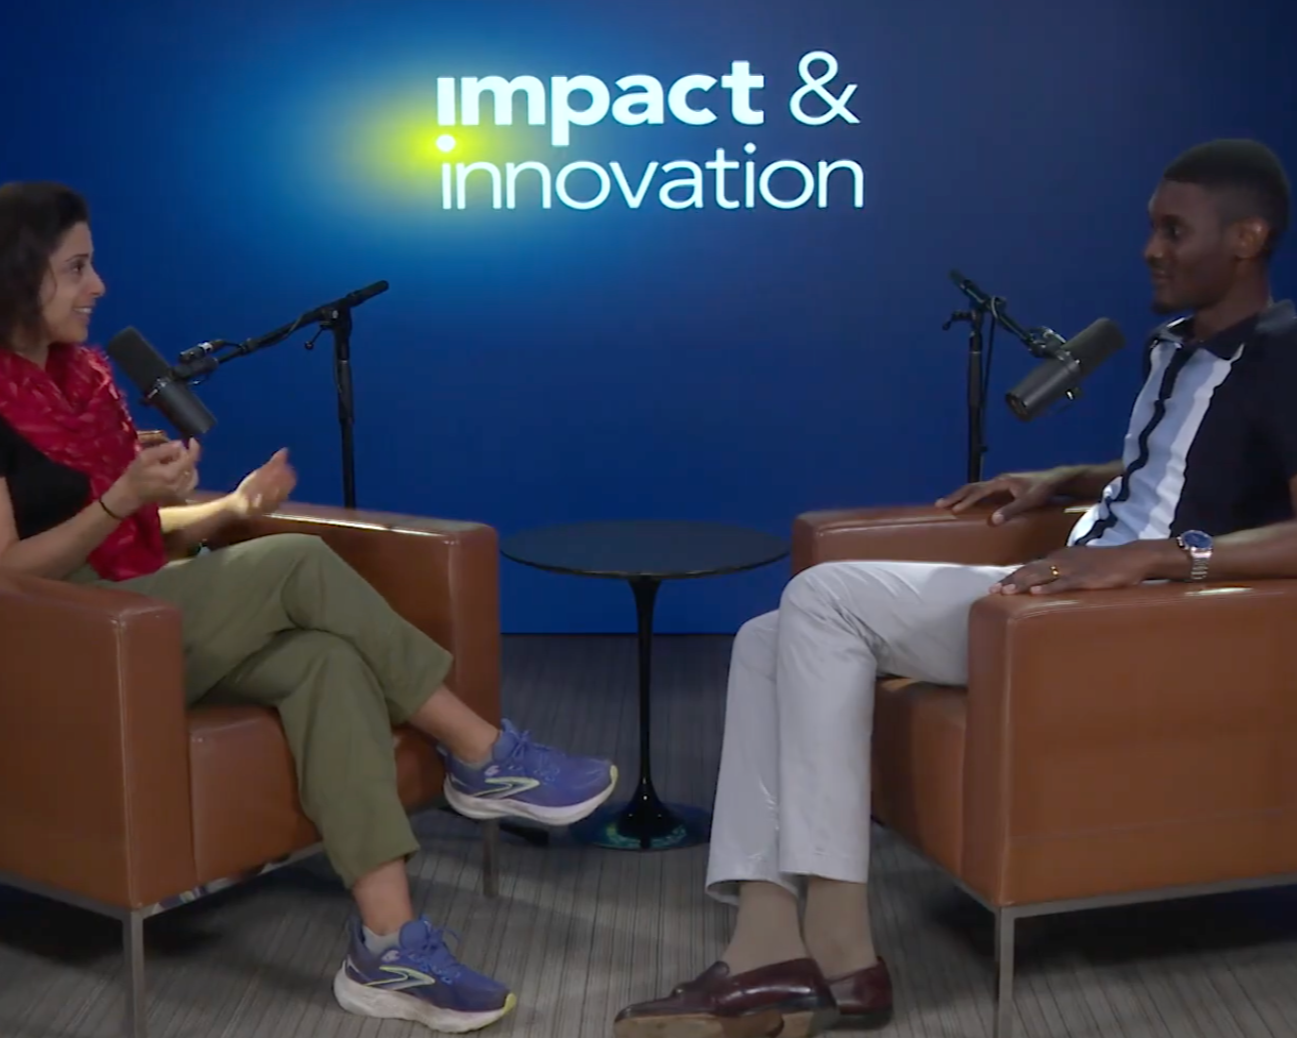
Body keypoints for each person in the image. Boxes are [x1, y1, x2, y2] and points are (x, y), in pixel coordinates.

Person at [614, 137, 1297, 1038]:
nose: (1149, 249)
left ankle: (840, 944)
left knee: (822, 597)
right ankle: (764, 945)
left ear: (1246, 238)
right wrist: (1070, 477)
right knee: (765, 637)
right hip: (1069, 589)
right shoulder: (1174, 346)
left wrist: (1161, 558)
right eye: (1150, 228)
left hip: (1133, 622)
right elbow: (1175, 467)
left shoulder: (1285, 354)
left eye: (1174, 230)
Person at [0, 180, 620, 1035]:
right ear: (15, 276)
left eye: (92, 264)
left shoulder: (90, 380)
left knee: (325, 662)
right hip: (65, 641)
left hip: (142, 612)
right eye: (75, 268)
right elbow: (9, 571)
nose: (98, 286)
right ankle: (483, 752)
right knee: (293, 561)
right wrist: (117, 499)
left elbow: (144, 536)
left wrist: (225, 511)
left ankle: (389, 948)